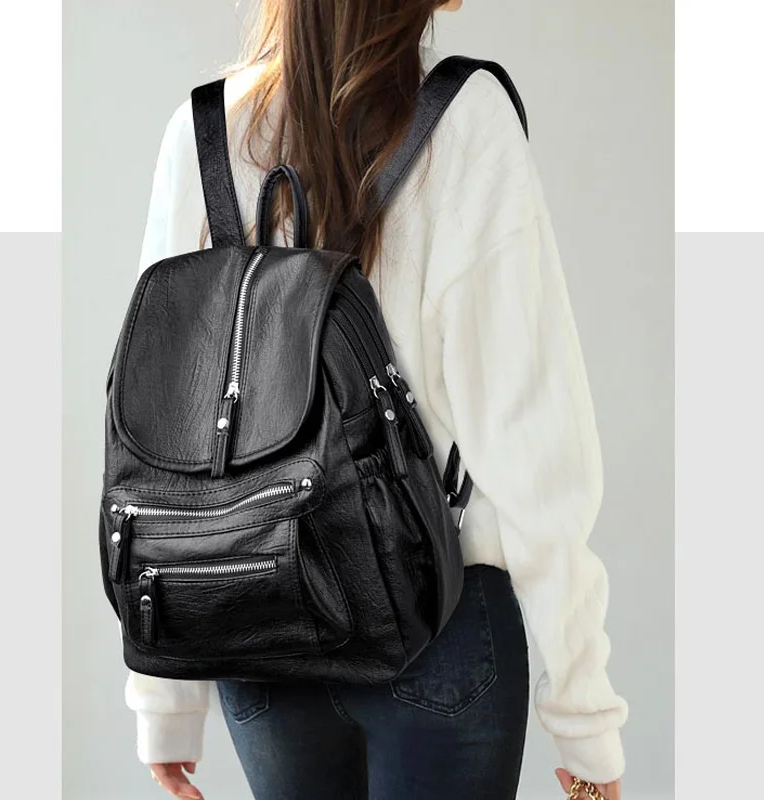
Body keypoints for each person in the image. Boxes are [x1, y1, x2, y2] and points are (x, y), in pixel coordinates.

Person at [123, 1, 628, 798]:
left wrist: (166, 704)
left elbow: (164, 433)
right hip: (439, 620)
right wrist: (583, 712)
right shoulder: (465, 121)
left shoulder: (204, 133)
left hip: (258, 622)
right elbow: (533, 439)